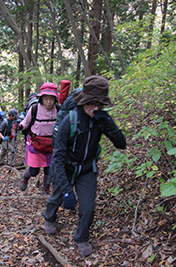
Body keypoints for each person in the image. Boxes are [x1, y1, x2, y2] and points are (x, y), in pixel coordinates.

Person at [43, 75, 126, 257]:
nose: (95, 109)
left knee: (88, 208)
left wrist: (108, 122)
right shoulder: (69, 120)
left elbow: (121, 143)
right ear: (83, 101)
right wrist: (66, 190)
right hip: (65, 166)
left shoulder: (101, 119)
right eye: (91, 104)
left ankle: (81, 237)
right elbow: (57, 157)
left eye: (100, 104)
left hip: (87, 169)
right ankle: (49, 217)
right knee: (57, 198)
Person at [16, 83, 59, 195]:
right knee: (34, 171)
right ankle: (25, 177)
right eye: (46, 99)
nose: (48, 102)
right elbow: (26, 122)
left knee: (49, 170)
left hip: (51, 144)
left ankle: (45, 189)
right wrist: (19, 126)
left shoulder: (58, 110)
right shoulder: (34, 108)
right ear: (41, 98)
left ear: (55, 99)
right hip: (36, 143)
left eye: (51, 99)